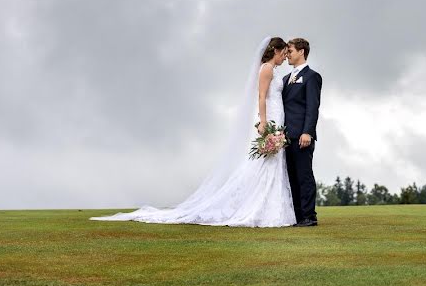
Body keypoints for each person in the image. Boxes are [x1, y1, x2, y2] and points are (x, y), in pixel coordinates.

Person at [90, 37, 297, 227]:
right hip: (269, 117)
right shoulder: (266, 70)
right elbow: (261, 97)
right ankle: (257, 207)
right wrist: (263, 122)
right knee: (263, 163)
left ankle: (271, 208)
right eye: (283, 53)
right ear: (275, 51)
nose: (284, 57)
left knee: (273, 162)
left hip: (278, 117)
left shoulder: (274, 71)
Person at [282, 37, 322, 226]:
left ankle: (309, 216)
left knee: (304, 175)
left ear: (301, 52)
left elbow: (312, 107)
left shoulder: (312, 76)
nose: (287, 54)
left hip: (302, 135)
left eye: (290, 51)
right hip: (285, 137)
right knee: (291, 176)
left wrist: (308, 132)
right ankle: (297, 216)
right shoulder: (284, 79)